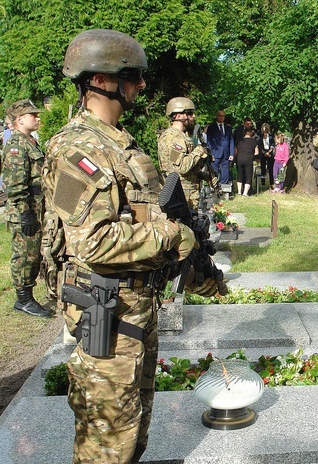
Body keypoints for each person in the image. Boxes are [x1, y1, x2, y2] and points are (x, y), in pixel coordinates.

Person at [43, 28, 220, 463]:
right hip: (108, 317)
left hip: (135, 311)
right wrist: (173, 235)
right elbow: (94, 241)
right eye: (133, 77)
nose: (142, 85)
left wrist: (193, 266)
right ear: (101, 80)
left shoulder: (119, 144)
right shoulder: (76, 150)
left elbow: (144, 216)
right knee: (108, 449)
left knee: (133, 439)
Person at [2, 100, 52, 317]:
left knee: (33, 254)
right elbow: (15, 184)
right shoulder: (16, 146)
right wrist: (24, 213)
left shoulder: (29, 142)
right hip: (24, 211)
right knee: (25, 255)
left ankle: (27, 296)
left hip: (35, 208)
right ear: (20, 120)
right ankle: (23, 300)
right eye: (33, 115)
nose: (38, 118)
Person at [157, 97, 209, 208]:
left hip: (186, 191)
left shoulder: (181, 136)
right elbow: (182, 167)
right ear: (179, 116)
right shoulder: (174, 137)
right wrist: (199, 150)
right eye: (189, 113)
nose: (193, 116)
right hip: (182, 194)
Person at [205, 110, 234, 184]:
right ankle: (214, 186)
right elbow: (209, 142)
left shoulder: (228, 127)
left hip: (226, 153)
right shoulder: (211, 127)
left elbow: (231, 141)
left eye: (223, 116)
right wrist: (211, 154)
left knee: (225, 171)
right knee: (214, 171)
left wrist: (231, 154)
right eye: (220, 116)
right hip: (215, 153)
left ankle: (224, 187)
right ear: (217, 116)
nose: (221, 117)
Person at [235, 127, 259, 196]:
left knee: (239, 175)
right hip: (248, 159)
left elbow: (235, 151)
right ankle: (245, 193)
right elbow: (256, 153)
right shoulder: (254, 141)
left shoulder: (239, 141)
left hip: (239, 159)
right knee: (248, 176)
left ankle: (239, 192)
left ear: (244, 133)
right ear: (251, 133)